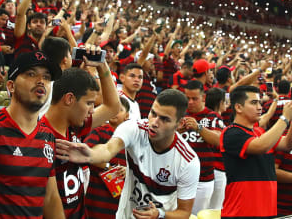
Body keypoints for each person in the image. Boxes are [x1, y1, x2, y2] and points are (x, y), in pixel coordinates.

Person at [57, 89, 201, 219]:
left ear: (179, 124)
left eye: (164, 119)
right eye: (153, 113)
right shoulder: (134, 128)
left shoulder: (188, 161)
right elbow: (108, 150)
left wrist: (159, 214)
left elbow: (184, 213)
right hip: (125, 214)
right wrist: (90, 155)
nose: (155, 122)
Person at [0, 51, 65, 218]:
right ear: (11, 86)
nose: (41, 81)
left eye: (47, 77)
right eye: (31, 74)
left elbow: (50, 198)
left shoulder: (48, 137)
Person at [41, 52, 120, 218]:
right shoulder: (39, 136)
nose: (92, 110)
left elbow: (113, 107)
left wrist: (102, 65)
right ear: (70, 99)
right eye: (89, 103)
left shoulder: (76, 126)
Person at [221, 84, 292, 219]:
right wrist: (285, 118)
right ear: (238, 107)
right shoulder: (231, 133)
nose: (259, 107)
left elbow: (290, 144)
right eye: (253, 103)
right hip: (241, 213)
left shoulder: (260, 132)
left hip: (266, 211)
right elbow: (260, 146)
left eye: (259, 102)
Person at [177, 79, 226, 214]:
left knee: (200, 215)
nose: (190, 102)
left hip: (203, 179)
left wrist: (199, 128)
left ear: (203, 98)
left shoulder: (212, 117)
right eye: (187, 98)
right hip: (179, 178)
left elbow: (218, 140)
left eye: (195, 98)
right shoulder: (180, 115)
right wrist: (176, 131)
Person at [84, 96, 131, 219]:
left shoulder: (130, 139)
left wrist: (127, 171)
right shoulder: (99, 131)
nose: (115, 113)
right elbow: (86, 154)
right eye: (113, 109)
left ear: (127, 116)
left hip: (118, 201)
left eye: (119, 110)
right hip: (96, 198)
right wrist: (108, 167)